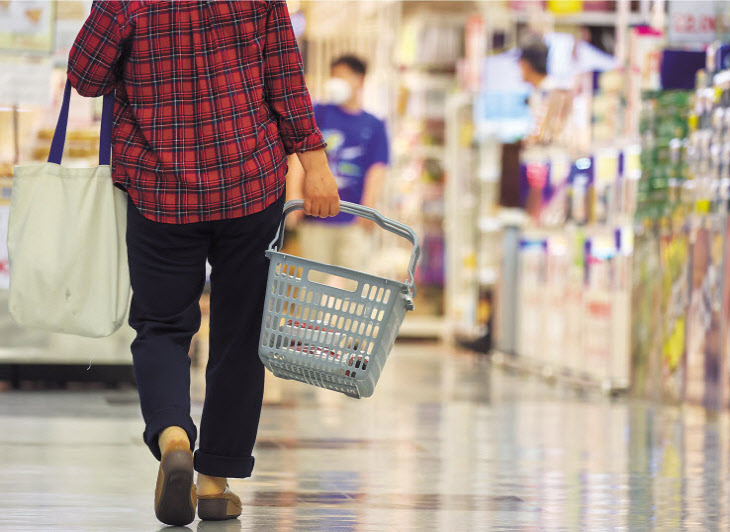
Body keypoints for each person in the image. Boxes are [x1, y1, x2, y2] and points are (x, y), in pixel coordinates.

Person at [67, 1, 339, 526]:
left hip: (160, 189)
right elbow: (284, 75)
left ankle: (173, 436)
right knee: (240, 333)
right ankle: (215, 481)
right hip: (249, 182)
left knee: (163, 325)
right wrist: (316, 164)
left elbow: (85, 76)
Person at [287, 55, 389, 270]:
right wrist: (294, 194)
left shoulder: (374, 125)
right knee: (311, 286)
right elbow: (299, 155)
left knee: (353, 287)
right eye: (333, 76)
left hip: (353, 219)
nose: (336, 82)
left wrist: (369, 208)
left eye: (342, 76)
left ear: (360, 80)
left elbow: (377, 168)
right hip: (315, 216)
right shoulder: (317, 113)